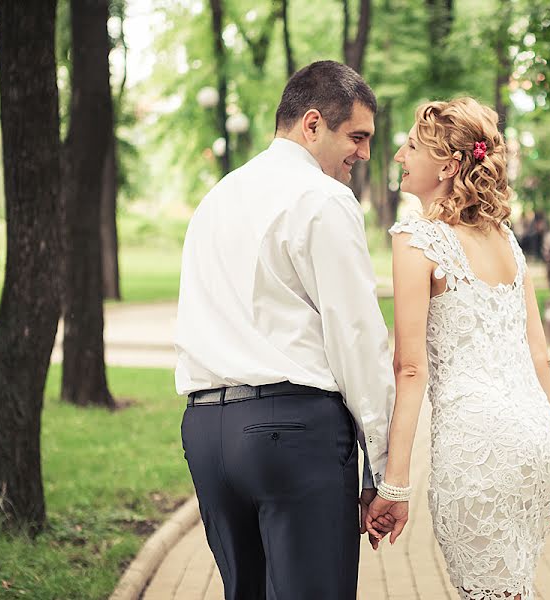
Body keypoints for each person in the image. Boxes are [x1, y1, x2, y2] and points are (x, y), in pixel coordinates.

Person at [174, 60, 394, 600]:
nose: (364, 154)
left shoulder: (217, 198)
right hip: (293, 433)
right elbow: (357, 337)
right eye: (357, 136)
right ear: (312, 123)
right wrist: (384, 469)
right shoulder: (322, 198)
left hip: (206, 434)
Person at [365, 97, 550, 600]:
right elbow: (539, 355)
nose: (398, 155)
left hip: (477, 453)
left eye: (411, 146)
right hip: (537, 444)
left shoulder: (416, 239)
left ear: (448, 165)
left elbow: (410, 368)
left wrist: (394, 486)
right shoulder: (506, 240)